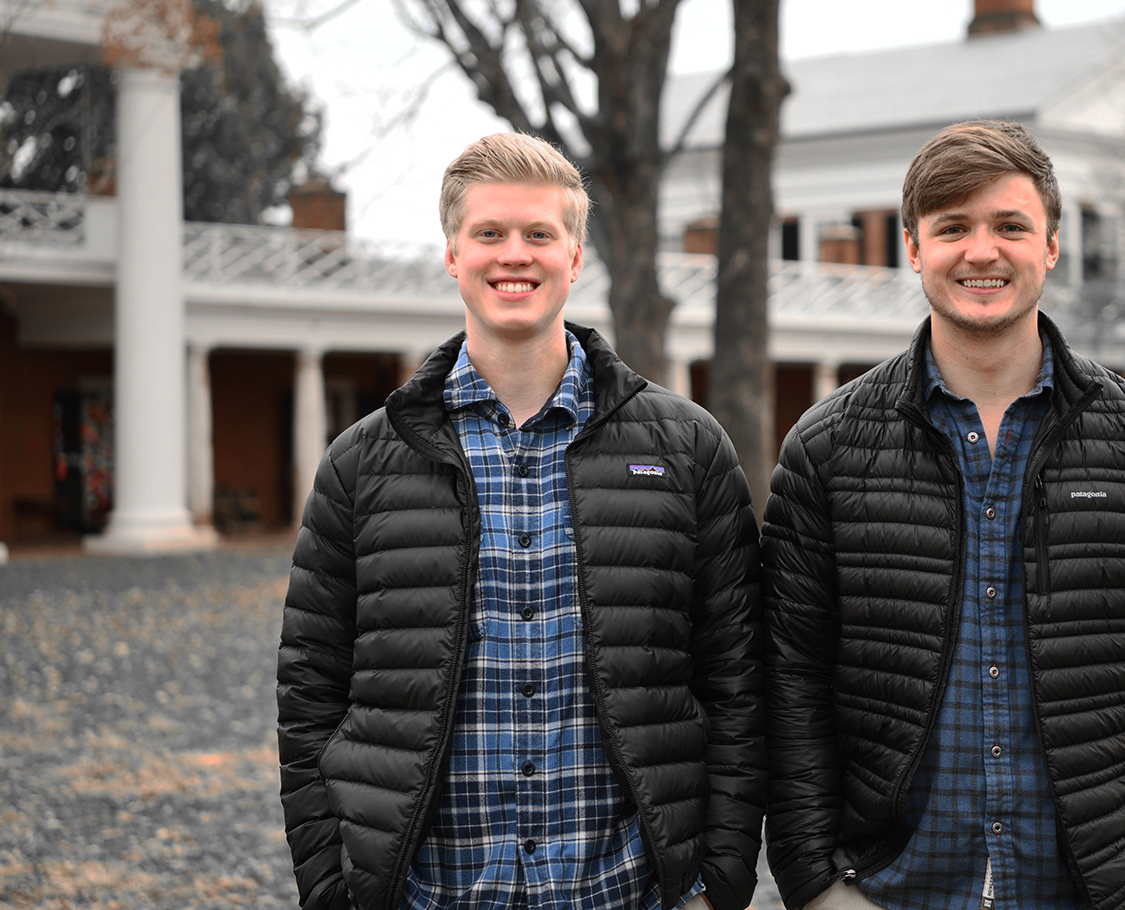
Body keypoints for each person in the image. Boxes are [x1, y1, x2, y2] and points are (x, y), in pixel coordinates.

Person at [277, 132, 765, 910]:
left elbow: (737, 684)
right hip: (430, 893)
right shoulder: (362, 462)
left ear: (575, 257)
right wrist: (333, 890)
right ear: (452, 254)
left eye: (540, 234)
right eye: (489, 233)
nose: (515, 255)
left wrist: (717, 884)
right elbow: (309, 699)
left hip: (624, 891)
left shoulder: (686, 447)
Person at [761, 121, 1125, 910]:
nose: (982, 252)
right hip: (890, 888)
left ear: (1050, 246)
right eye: (952, 228)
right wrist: (814, 885)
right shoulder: (827, 446)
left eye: (1009, 226)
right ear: (913, 247)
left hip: (1088, 889)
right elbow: (789, 677)